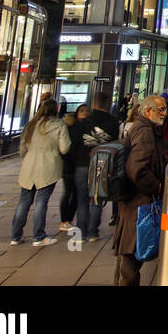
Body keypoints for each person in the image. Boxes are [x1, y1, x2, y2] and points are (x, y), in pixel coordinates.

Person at [112, 95, 168, 286]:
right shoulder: (145, 132)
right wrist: (157, 187)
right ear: (147, 111)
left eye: (164, 109)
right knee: (132, 252)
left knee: (129, 254)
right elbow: (136, 168)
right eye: (160, 110)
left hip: (135, 202)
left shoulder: (145, 129)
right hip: (139, 202)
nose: (164, 114)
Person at [11, 98, 70, 247]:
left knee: (24, 201)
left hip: (29, 167)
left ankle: (16, 236)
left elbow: (22, 150)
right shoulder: (59, 125)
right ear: (55, 110)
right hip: (48, 166)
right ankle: (39, 236)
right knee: (41, 201)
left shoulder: (30, 125)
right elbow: (64, 148)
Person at [70, 92, 118, 243]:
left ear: (94, 104)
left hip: (82, 164)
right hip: (101, 164)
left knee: (82, 200)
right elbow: (115, 146)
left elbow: (75, 144)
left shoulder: (84, 122)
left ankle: (81, 232)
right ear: (108, 103)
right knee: (97, 199)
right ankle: (92, 232)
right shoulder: (113, 122)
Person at [57, 106, 84, 233]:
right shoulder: (68, 128)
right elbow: (63, 147)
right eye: (82, 111)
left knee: (76, 193)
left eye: (86, 111)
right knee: (68, 192)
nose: (84, 113)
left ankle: (68, 219)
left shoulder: (86, 128)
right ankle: (64, 220)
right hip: (69, 164)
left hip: (79, 164)